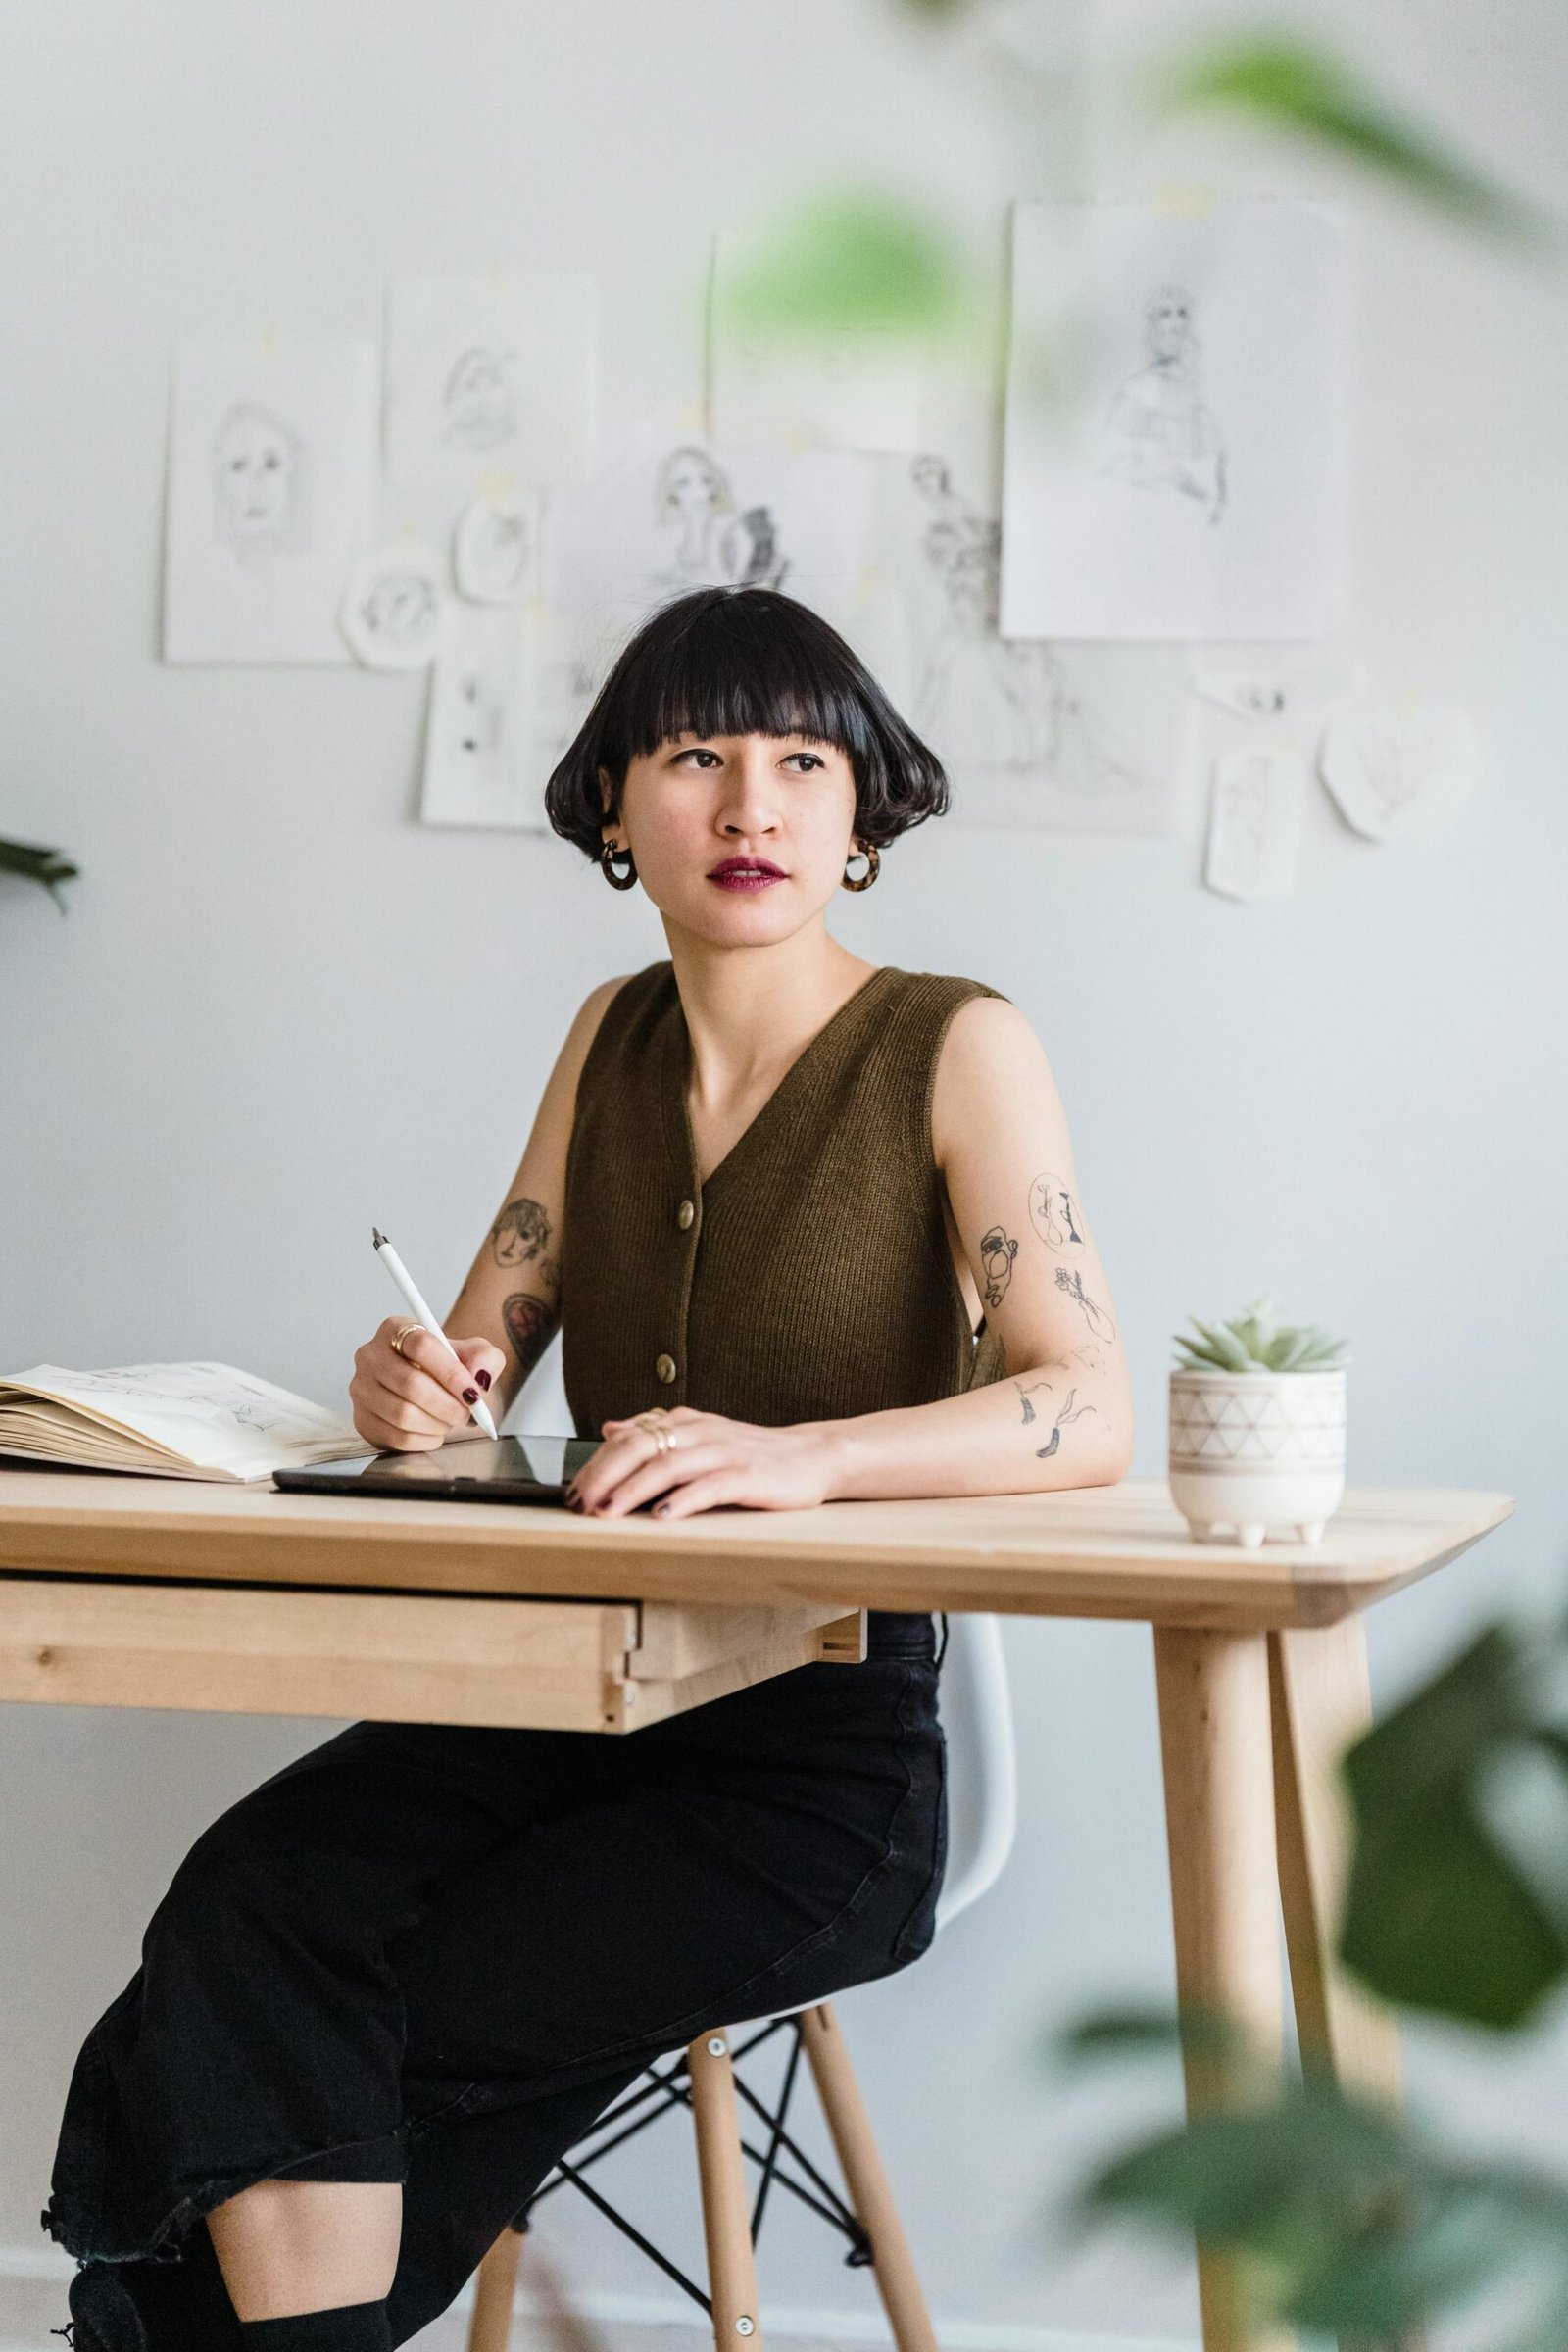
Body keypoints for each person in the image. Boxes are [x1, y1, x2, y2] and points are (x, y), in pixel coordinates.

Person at [46, 586, 1133, 2352]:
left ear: (863, 806)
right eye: (695, 756)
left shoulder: (955, 1043)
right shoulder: (608, 1036)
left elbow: (1088, 1404)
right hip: (548, 1698)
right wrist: (413, 1387)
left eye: (803, 762)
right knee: (252, 1911)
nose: (751, 805)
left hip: (812, 1767)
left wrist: (801, 1463)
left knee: (303, 2016)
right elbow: (479, 1353)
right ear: (616, 804)